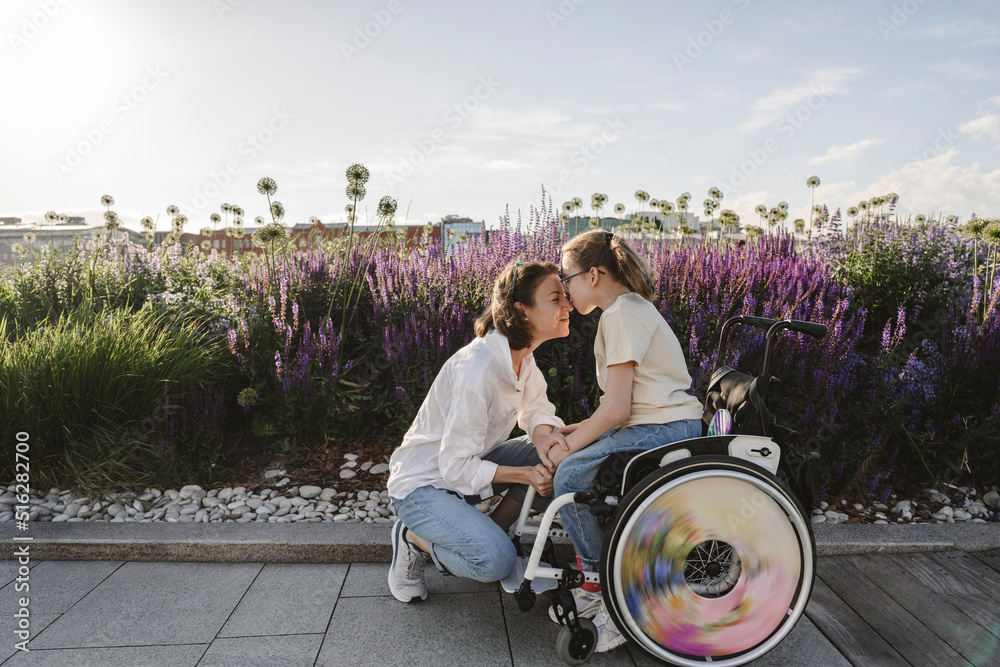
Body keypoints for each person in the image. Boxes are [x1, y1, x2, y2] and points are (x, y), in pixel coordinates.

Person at [546, 229, 703, 653]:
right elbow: (625, 406)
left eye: (568, 277)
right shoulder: (628, 310)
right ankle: (601, 583)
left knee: (570, 473)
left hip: (666, 428)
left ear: (594, 275)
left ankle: (606, 592)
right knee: (575, 456)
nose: (565, 287)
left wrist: (570, 448)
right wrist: (578, 429)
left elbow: (616, 411)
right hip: (660, 421)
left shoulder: (620, 317)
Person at [387, 260, 574, 603]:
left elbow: (535, 410)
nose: (568, 304)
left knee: (562, 456)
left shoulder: (521, 357)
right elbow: (455, 467)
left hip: (462, 470)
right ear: (522, 310)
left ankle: (494, 529)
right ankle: (414, 539)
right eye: (556, 297)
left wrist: (547, 441)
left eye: (566, 295)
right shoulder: (478, 369)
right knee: (495, 562)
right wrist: (524, 474)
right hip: (422, 485)